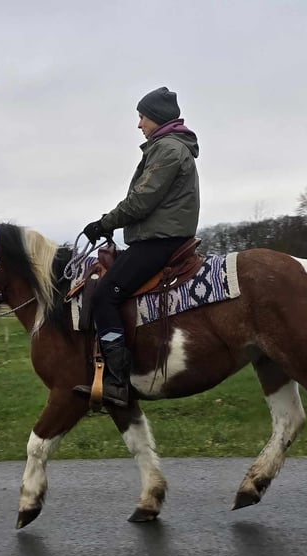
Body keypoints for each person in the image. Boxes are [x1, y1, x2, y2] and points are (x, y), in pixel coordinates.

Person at [73, 86, 200, 407]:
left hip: (161, 241)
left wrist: (104, 223)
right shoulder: (167, 147)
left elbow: (141, 200)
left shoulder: (168, 150)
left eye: (142, 116)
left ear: (156, 118)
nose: (139, 124)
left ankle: (117, 381)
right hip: (159, 237)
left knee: (104, 296)